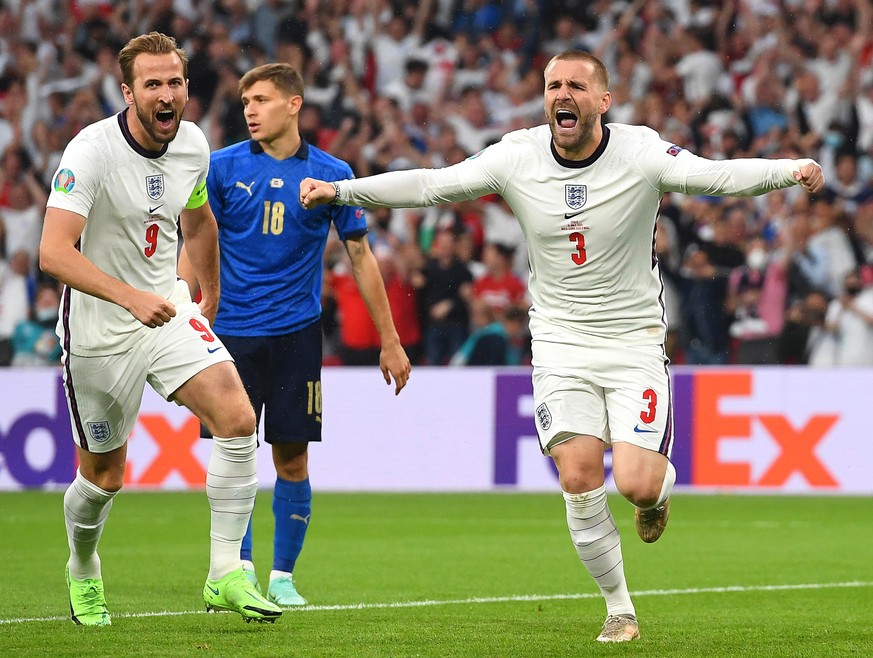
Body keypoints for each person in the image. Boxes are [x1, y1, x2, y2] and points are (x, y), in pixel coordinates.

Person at [299, 50, 824, 643]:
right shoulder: (516, 156)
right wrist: (343, 190)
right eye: (553, 85)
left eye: (577, 85)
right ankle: (619, 608)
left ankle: (656, 496)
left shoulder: (642, 151)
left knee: (635, 484)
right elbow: (431, 185)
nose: (562, 94)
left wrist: (791, 168)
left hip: (633, 342)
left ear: (604, 100)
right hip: (558, 343)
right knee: (578, 477)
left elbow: (718, 176)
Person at [39, 32, 281, 626]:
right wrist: (127, 297)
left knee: (238, 418)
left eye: (175, 82)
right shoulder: (90, 151)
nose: (166, 93)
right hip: (100, 327)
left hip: (167, 311)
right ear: (128, 92)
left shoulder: (193, 145)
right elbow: (52, 252)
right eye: (153, 84)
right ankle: (83, 565)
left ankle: (225, 572)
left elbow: (198, 222)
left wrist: (212, 290)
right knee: (104, 476)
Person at [178, 62, 411, 608]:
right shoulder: (221, 167)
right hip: (227, 335)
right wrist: (183, 310)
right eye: (245, 104)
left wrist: (390, 339)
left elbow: (360, 255)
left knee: (292, 461)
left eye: (260, 100)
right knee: (233, 456)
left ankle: (282, 575)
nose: (250, 112)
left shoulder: (332, 174)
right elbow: (192, 240)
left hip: (294, 337)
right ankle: (237, 570)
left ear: (294, 104)